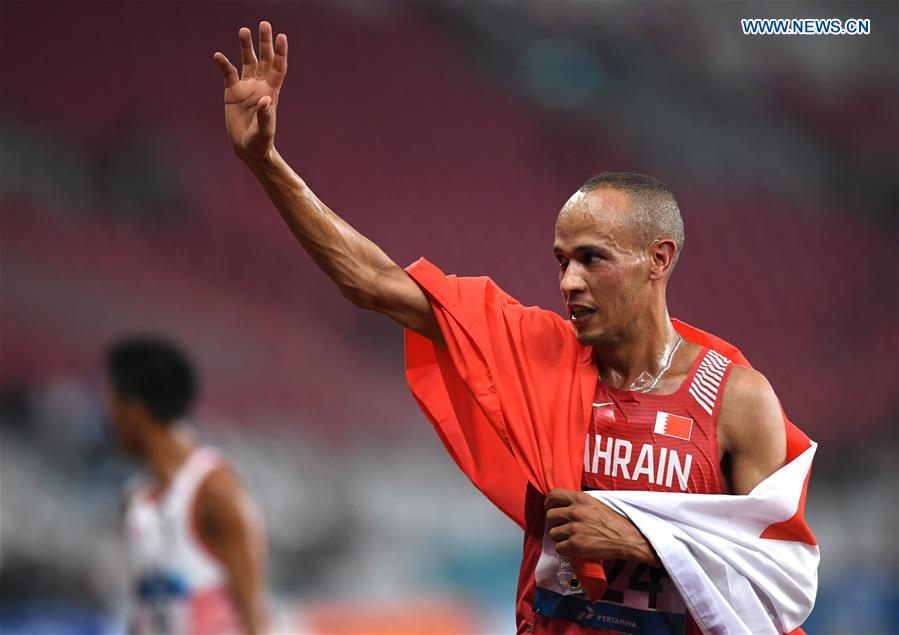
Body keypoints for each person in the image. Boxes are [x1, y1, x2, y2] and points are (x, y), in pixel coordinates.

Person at [212, 22, 817, 634]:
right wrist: (266, 163)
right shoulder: (539, 351)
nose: (569, 282)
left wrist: (642, 540)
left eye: (592, 258)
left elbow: (777, 586)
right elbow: (372, 282)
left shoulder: (737, 401)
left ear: (659, 260)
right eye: (562, 261)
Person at [105, 336, 268, 635]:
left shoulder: (216, 492)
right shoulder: (135, 501)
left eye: (113, 404)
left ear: (135, 413)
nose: (108, 418)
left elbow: (256, 618)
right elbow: (141, 614)